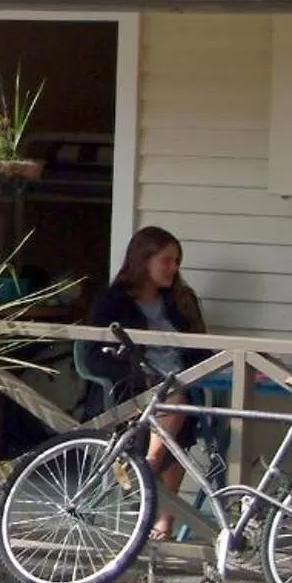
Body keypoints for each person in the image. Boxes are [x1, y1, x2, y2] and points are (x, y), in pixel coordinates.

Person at [83, 227, 210, 535]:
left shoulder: (181, 299)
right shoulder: (113, 302)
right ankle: (152, 475)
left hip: (177, 383)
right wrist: (141, 376)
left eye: (177, 261)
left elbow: (202, 348)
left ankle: (156, 496)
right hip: (132, 389)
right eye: (166, 260)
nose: (174, 268)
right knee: (178, 404)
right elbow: (92, 355)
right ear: (144, 260)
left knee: (182, 410)